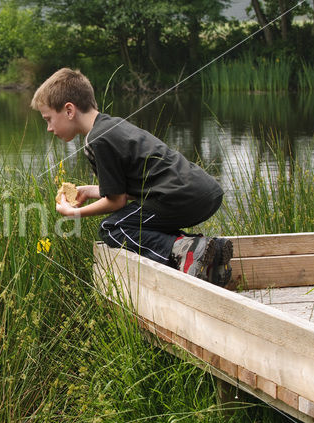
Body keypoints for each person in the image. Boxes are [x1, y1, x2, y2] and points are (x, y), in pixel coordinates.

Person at [31, 68, 232, 286]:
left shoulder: (96, 141)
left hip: (178, 196)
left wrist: (75, 213)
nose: (49, 128)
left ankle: (188, 250)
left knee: (112, 228)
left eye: (48, 119)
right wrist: (90, 191)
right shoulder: (111, 126)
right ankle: (211, 252)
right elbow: (124, 189)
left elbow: (117, 201)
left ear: (69, 110)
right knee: (140, 225)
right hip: (201, 192)